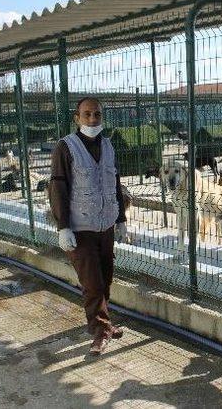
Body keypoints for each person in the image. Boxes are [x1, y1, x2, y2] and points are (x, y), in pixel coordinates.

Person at [48, 97, 128, 355]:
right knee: (92, 283)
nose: (93, 119)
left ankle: (104, 322)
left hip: (105, 226)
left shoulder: (107, 145)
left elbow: (114, 182)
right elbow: (58, 186)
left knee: (104, 278)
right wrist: (63, 226)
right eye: (87, 114)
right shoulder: (66, 147)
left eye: (97, 114)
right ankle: (100, 331)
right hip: (79, 227)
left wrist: (121, 220)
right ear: (77, 118)